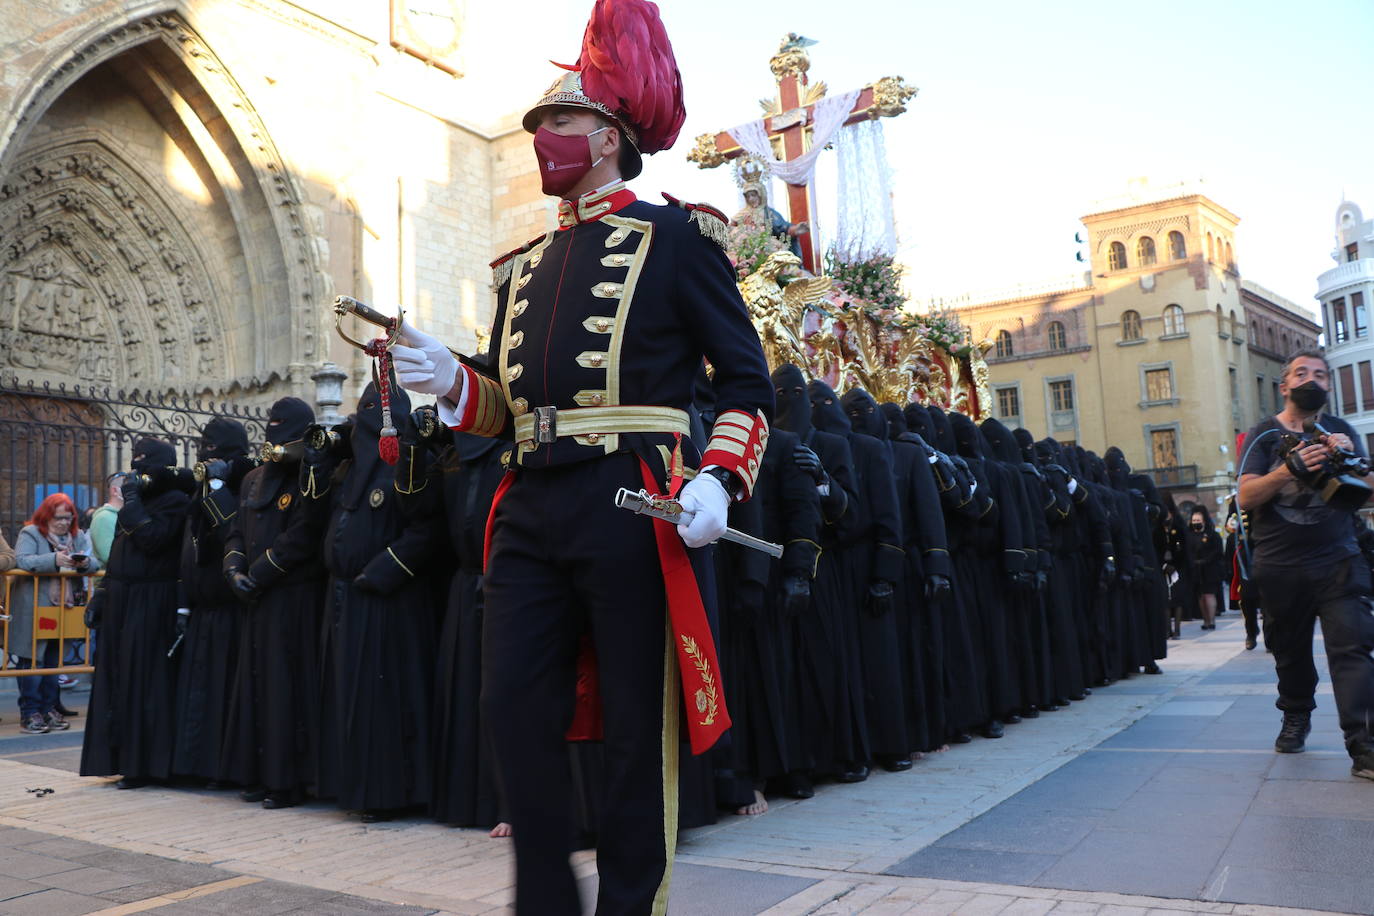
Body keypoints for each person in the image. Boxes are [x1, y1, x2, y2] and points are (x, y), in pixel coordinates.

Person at [388, 1, 773, 908]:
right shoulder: (520, 267)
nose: (542, 139)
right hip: (528, 503)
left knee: (641, 724)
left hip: (634, 498)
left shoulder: (678, 238)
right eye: (540, 126)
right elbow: (506, 410)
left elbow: (748, 385)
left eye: (557, 121)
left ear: (606, 134)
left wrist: (719, 476)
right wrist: (450, 379)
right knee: (513, 710)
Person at [1237, 349, 1374, 780]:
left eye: (1319, 374)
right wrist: (1289, 469)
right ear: (1285, 385)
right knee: (1290, 653)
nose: (1310, 380)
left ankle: (1364, 746)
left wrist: (1351, 460)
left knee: (1354, 650)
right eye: (1301, 373)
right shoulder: (1262, 436)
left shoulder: (1343, 430)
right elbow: (1245, 497)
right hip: (1280, 566)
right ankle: (1295, 713)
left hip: (1339, 560)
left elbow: (1369, 490)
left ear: (1329, 385)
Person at [221, 397, 328, 809]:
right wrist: (234, 571)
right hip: (255, 599)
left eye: (282, 424)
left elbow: (305, 532)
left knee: (287, 692)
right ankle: (255, 773)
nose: (273, 429)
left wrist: (261, 573)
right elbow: (235, 530)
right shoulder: (253, 479)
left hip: (293, 598)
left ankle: (287, 781)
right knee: (254, 689)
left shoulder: (310, 474)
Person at [80, 438, 192, 788]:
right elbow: (119, 550)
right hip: (122, 599)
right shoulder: (137, 501)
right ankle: (120, 757)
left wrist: (131, 501)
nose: (138, 467)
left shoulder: (175, 501)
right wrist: (101, 595)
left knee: (144, 680)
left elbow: (153, 540)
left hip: (153, 598)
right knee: (118, 677)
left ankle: (144, 764)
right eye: (135, 459)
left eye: (145, 461)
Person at [12, 493, 99, 733]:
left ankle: (49, 708)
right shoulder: (30, 533)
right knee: (32, 661)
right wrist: (54, 559)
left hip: (64, 606)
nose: (63, 522)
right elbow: (23, 561)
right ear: (47, 516)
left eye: (68, 518)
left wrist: (83, 564)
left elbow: (95, 564)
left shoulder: (77, 535)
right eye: (58, 517)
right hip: (34, 608)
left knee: (54, 661)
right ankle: (30, 713)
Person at [1186, 504, 1223, 630]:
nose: (1196, 522)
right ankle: (1205, 620)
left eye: (1198, 520)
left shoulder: (1212, 535)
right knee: (1200, 596)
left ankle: (1211, 620)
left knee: (1209, 594)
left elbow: (1218, 550)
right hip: (1195, 569)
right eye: (1194, 520)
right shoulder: (1189, 535)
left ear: (1204, 521)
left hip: (1209, 568)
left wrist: (1207, 560)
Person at [88, 473, 125, 566]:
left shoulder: (126, 515)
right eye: (127, 487)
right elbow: (108, 556)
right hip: (111, 578)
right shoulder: (103, 518)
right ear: (115, 490)